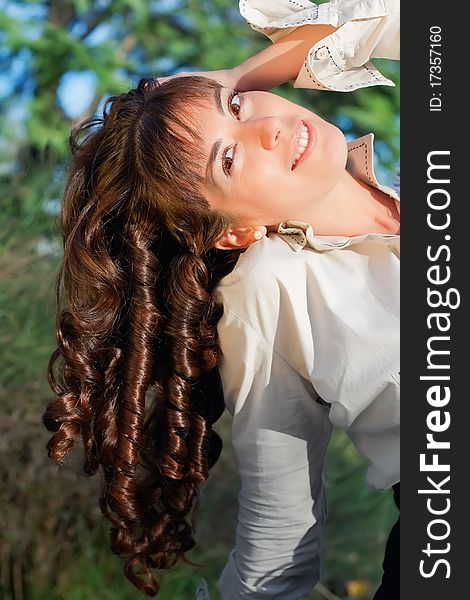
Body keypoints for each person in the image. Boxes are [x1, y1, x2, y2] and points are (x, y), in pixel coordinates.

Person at [42, 0, 400, 598]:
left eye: (237, 108)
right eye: (229, 157)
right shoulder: (269, 290)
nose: (268, 128)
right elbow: (279, 538)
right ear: (231, 232)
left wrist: (238, 76)